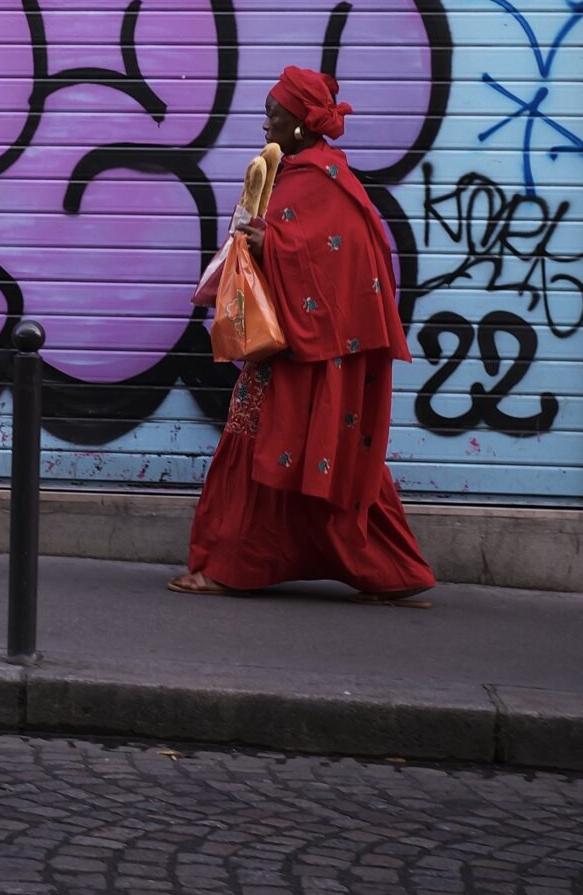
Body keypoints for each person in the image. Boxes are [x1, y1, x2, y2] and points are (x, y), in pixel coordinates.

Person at [169, 65, 435, 601]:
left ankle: (228, 568)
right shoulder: (294, 174)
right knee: (286, 449)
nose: (265, 123)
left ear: (300, 123)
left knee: (275, 446)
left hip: (313, 354)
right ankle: (387, 573)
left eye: (274, 113)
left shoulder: (324, 182)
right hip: (292, 346)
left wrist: (274, 246)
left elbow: (340, 261)